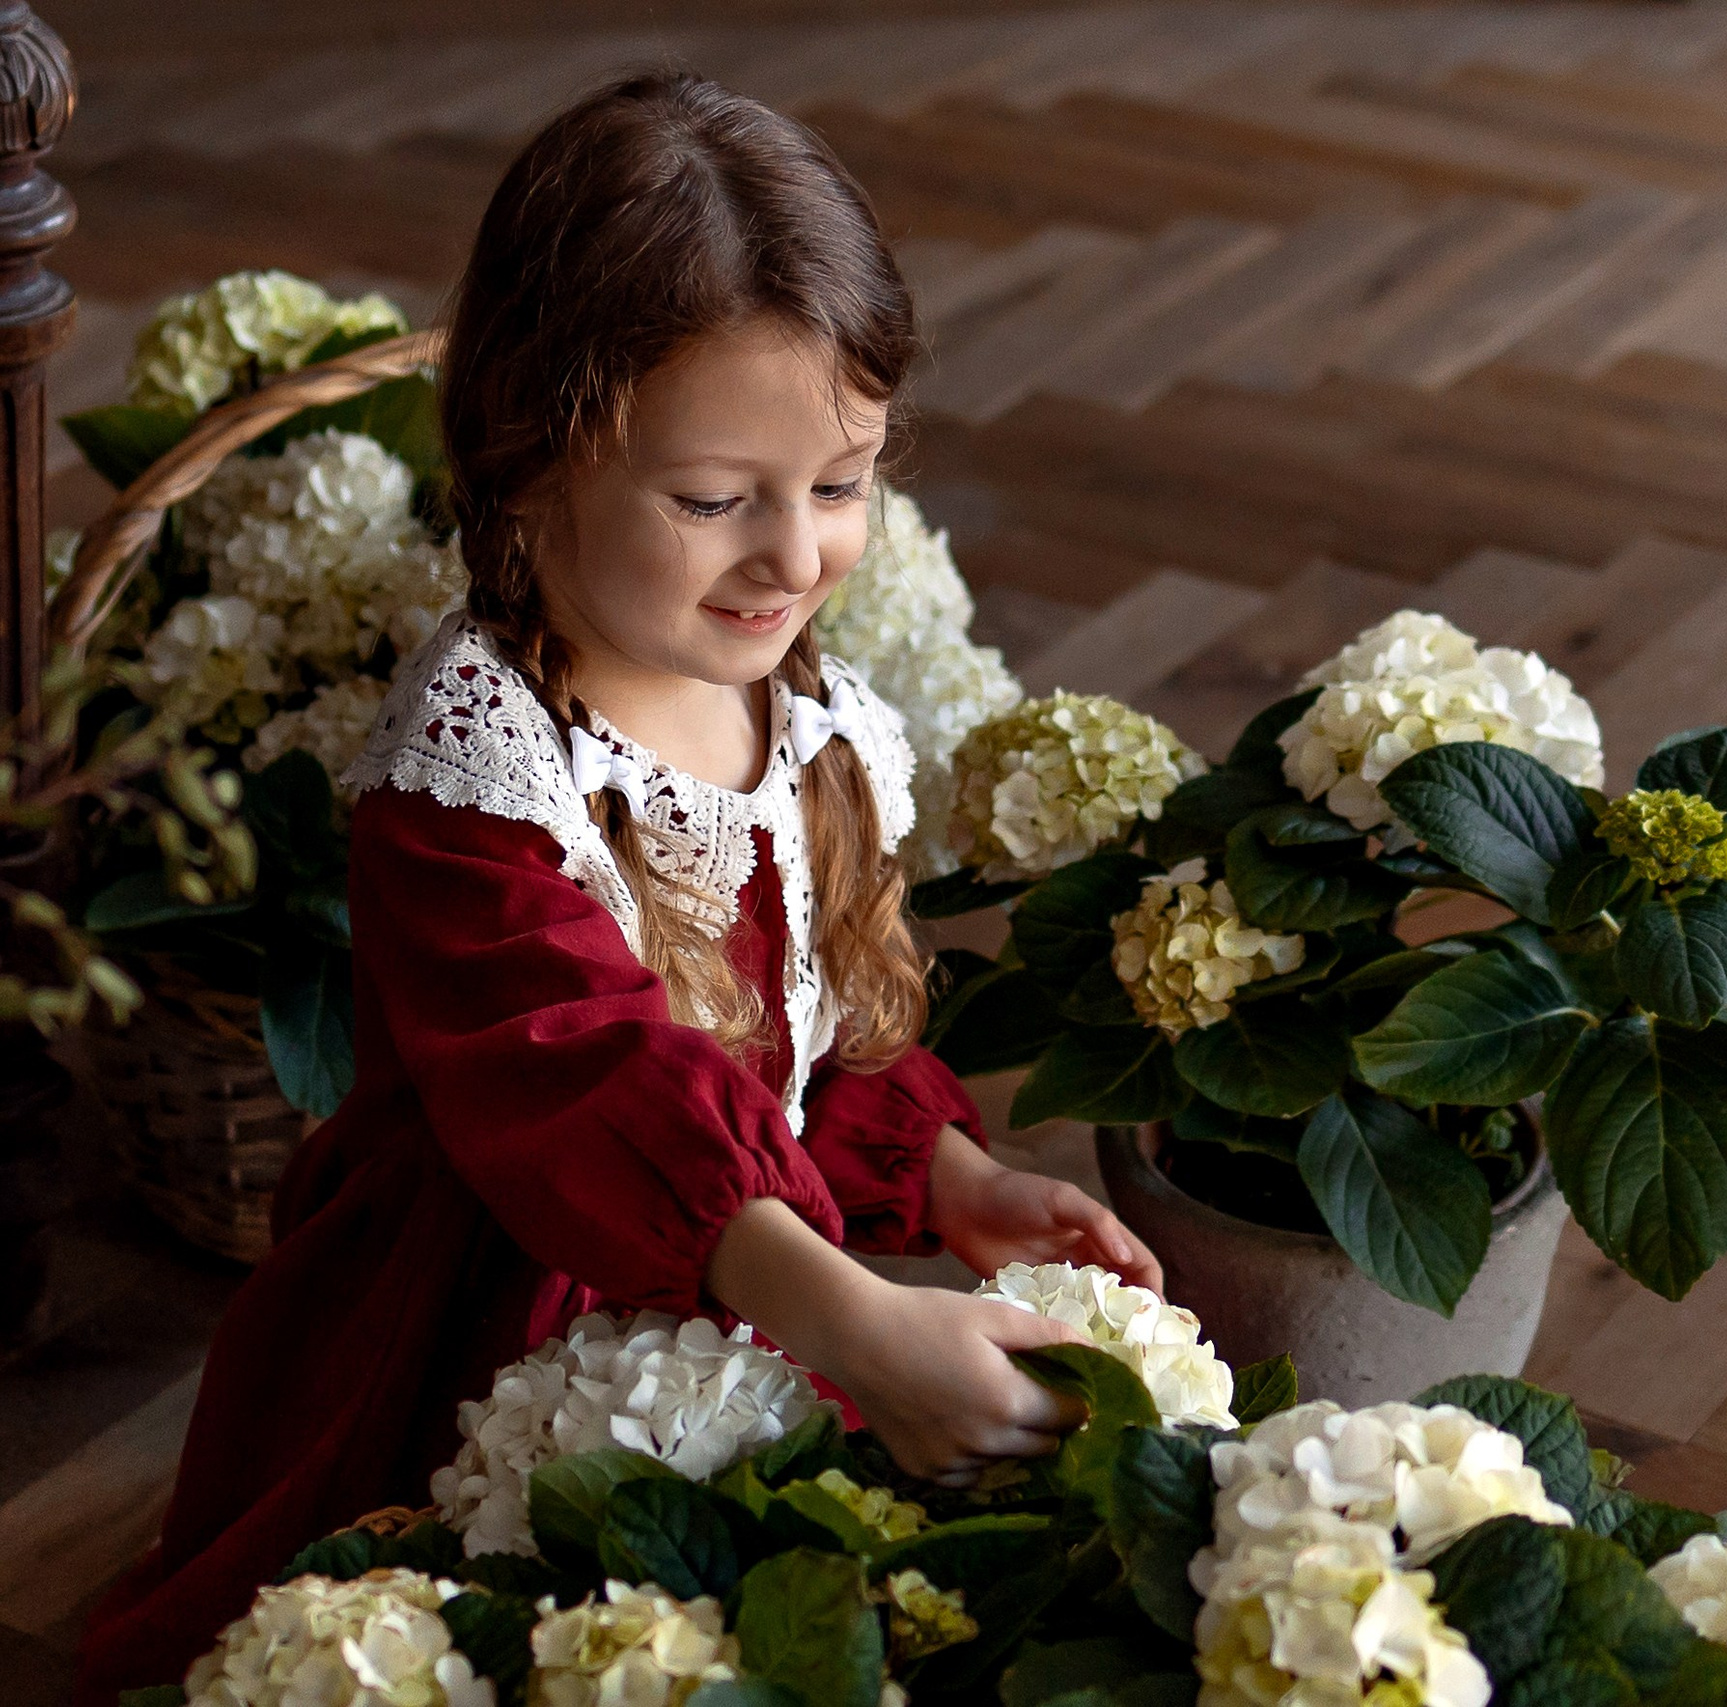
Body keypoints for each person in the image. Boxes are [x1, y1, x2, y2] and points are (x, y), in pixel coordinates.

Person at [73, 71, 1160, 1702]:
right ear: (531, 467)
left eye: (845, 482)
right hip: (470, 1315)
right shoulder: (479, 779)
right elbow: (594, 1085)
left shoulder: (807, 720)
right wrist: (851, 1318)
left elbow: (802, 1033)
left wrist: (939, 1176)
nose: (793, 556)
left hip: (744, 1291)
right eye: (715, 500)